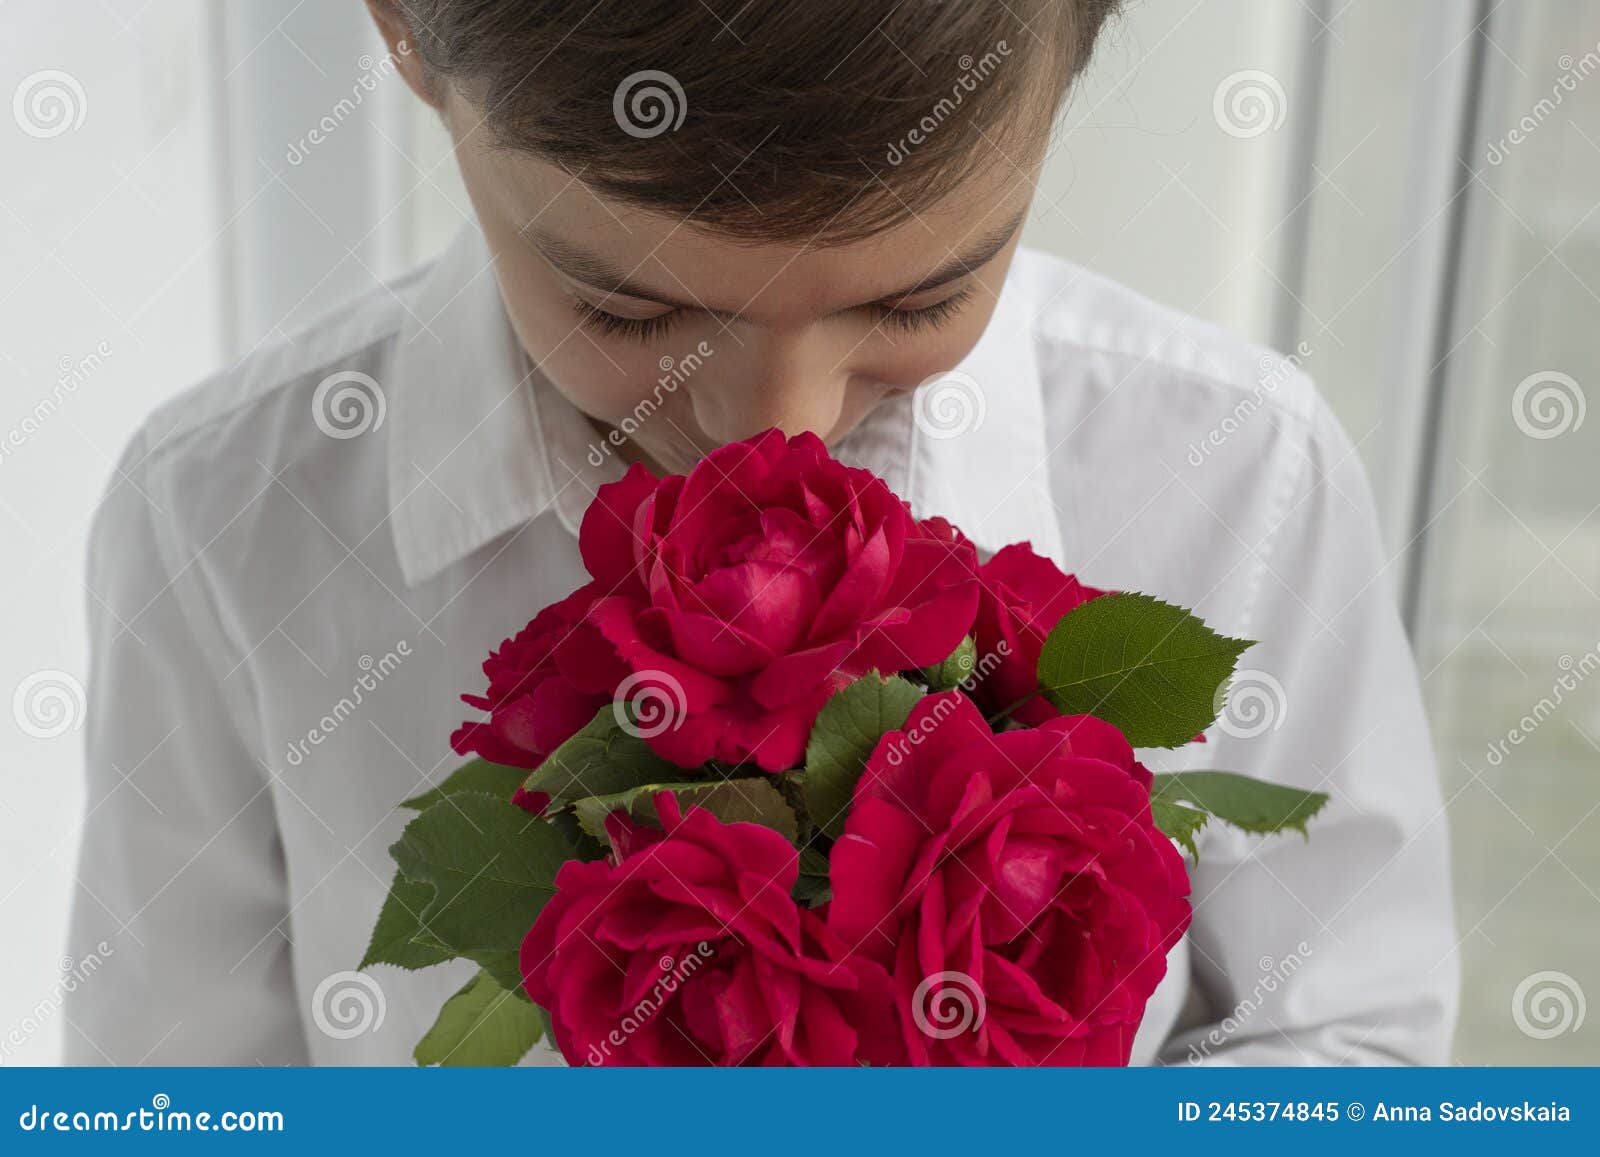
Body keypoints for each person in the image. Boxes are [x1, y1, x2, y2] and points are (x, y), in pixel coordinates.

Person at [64, 0, 1457, 1065]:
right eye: (630, 312)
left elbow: (1355, 1031)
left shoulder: (1234, 470)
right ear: (408, 35)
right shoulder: (223, 520)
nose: (767, 432)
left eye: (915, 304)